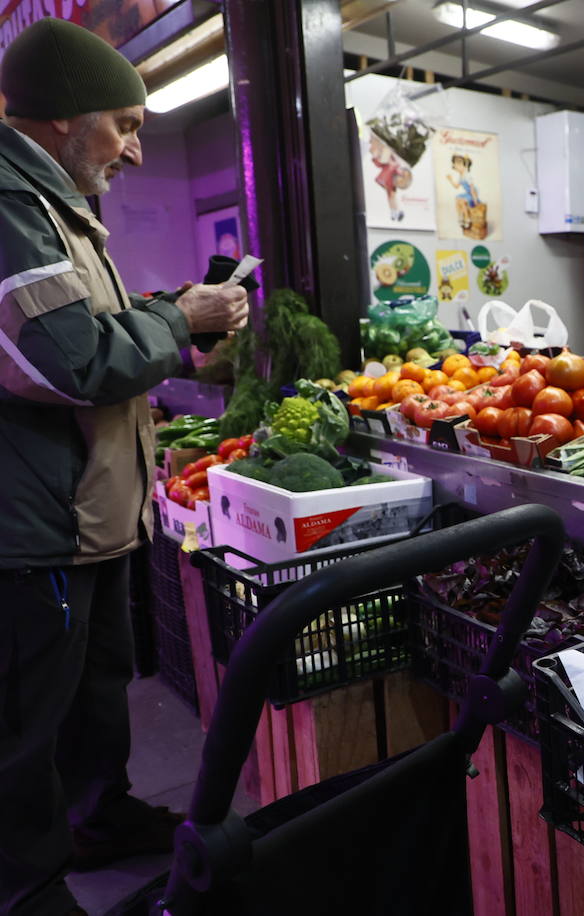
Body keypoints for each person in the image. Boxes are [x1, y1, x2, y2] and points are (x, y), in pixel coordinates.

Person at [0, 18, 249, 916]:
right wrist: (182, 321)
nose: (138, 150)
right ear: (65, 120)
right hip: (34, 525)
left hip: (87, 515)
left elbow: (84, 333)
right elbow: (64, 360)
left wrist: (171, 319)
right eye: (126, 124)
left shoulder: (55, 203)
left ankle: (97, 818)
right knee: (25, 726)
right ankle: (25, 888)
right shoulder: (9, 204)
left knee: (95, 693)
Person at [445, 153, 480, 231]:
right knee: (457, 199)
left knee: (461, 201)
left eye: (458, 165)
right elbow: (456, 187)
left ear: (464, 166)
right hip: (468, 193)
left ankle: (468, 219)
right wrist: (450, 180)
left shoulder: (467, 176)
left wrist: (475, 200)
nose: (456, 168)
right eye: (455, 166)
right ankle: (461, 216)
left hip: (472, 193)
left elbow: (472, 189)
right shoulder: (461, 176)